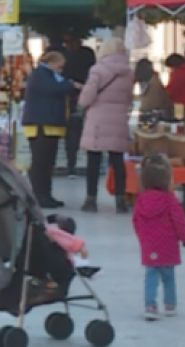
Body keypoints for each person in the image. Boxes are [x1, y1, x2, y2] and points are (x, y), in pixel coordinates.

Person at [132, 153, 185, 321]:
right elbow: (179, 222)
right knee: (169, 276)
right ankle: (170, 304)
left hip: (149, 245)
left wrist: (142, 239)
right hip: (168, 245)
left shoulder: (140, 200)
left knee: (150, 276)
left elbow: (136, 221)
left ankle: (150, 306)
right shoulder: (170, 201)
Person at [77, 37, 134, 214]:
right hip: (118, 119)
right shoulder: (129, 72)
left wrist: (81, 104)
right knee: (117, 161)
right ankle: (120, 201)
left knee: (93, 160)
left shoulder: (98, 70)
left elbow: (87, 96)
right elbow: (129, 97)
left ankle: (91, 200)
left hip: (98, 120)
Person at [22, 50, 81, 209]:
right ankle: (38, 196)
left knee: (48, 164)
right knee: (40, 163)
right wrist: (69, 85)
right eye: (59, 67)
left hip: (50, 126)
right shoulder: (40, 75)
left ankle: (46, 195)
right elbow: (52, 89)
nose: (61, 70)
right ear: (51, 62)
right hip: (40, 125)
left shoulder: (49, 75)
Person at [62, 34, 97, 178]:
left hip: (71, 98)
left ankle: (72, 166)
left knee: (73, 134)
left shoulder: (66, 55)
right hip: (84, 96)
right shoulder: (87, 54)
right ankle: (81, 166)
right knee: (79, 132)